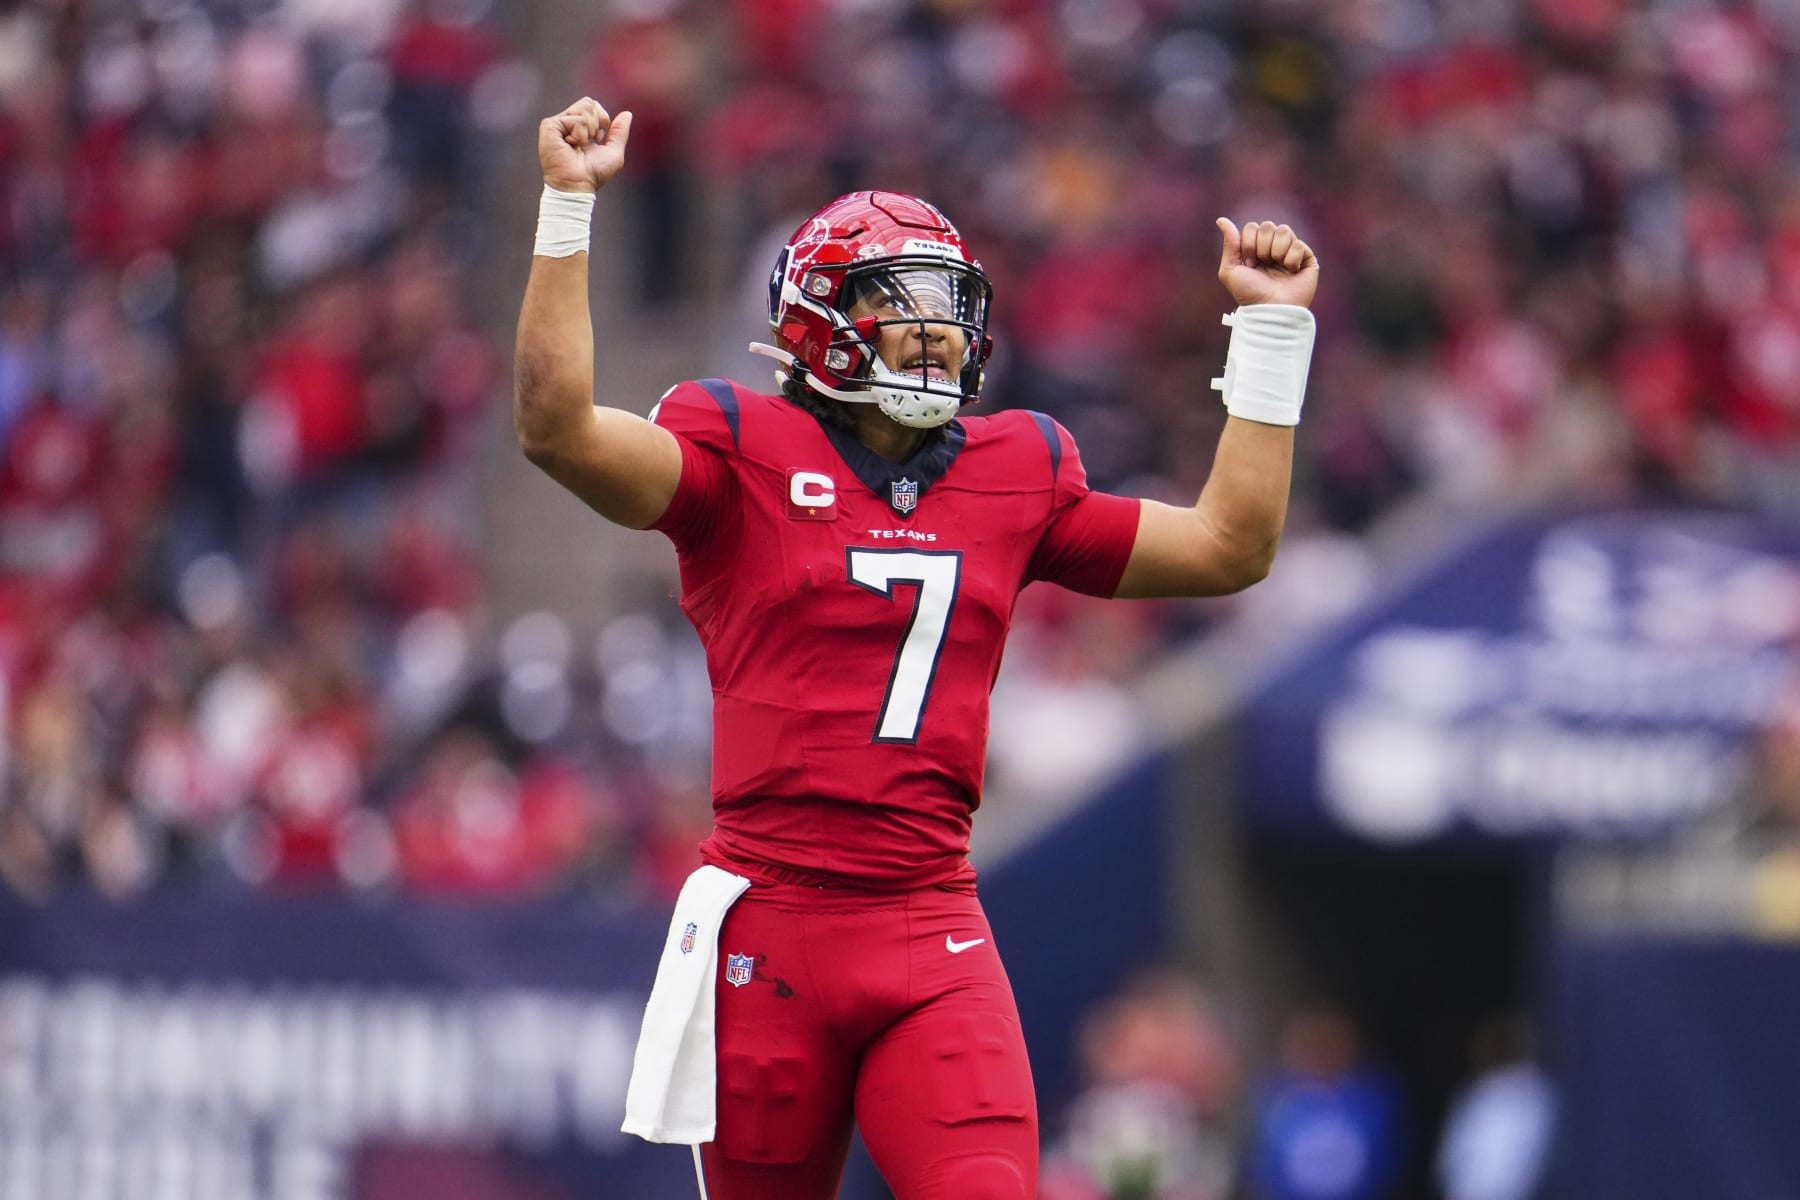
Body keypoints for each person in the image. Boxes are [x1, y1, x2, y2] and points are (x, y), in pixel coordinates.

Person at [513, 96, 1319, 1200]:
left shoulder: (1015, 469)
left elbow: (1230, 545)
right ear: (819, 322)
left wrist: (1271, 330)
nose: (936, 332)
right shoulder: (736, 450)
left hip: (928, 924)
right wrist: (568, 208)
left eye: (948, 308)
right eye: (902, 306)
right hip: (771, 926)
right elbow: (555, 426)